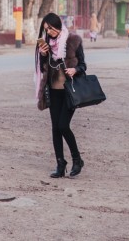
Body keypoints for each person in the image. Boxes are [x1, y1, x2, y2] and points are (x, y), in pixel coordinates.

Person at [34, 12, 87, 178]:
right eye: (46, 29)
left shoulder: (73, 40)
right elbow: (43, 68)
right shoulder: (46, 44)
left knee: (63, 125)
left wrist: (75, 69)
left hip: (70, 91)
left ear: (57, 25)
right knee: (55, 128)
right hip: (53, 90)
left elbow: (83, 65)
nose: (49, 32)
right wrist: (43, 55)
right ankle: (60, 163)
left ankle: (77, 159)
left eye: (50, 28)